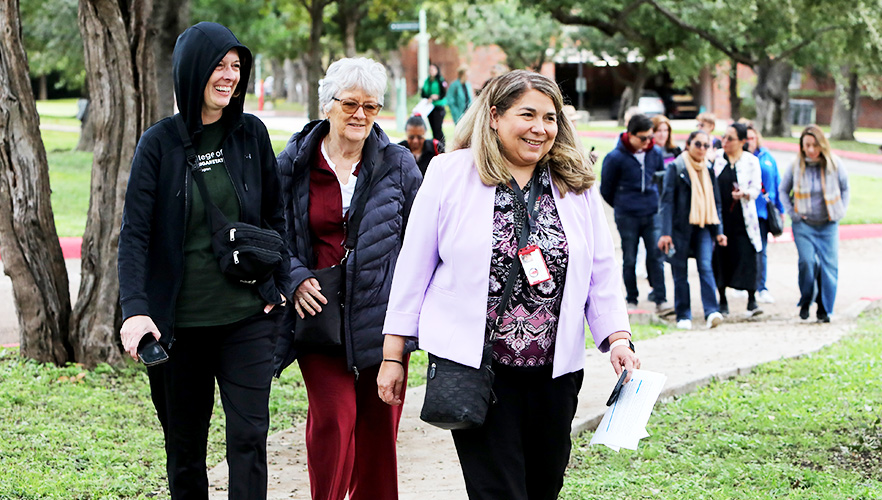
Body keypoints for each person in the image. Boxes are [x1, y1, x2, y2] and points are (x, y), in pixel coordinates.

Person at [378, 70, 639, 500]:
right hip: (478, 369)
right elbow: (413, 269)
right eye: (528, 115)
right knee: (497, 491)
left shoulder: (574, 183)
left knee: (544, 486)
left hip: (556, 373)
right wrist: (393, 354)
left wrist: (618, 338)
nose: (541, 128)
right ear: (495, 116)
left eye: (550, 118)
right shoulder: (449, 173)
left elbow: (602, 270)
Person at [117, 22, 291, 499]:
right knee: (186, 449)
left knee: (249, 440)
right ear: (193, 70)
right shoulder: (159, 144)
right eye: (219, 65)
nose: (229, 76)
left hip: (247, 318)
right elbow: (135, 233)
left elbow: (275, 215)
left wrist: (275, 283)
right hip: (180, 326)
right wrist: (135, 308)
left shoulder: (251, 135)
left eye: (237, 66)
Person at [273, 57, 422, 500]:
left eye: (371, 107)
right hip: (317, 314)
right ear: (327, 105)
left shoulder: (398, 164)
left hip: (381, 320)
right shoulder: (294, 162)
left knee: (379, 434)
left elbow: (421, 239)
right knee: (335, 421)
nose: (360, 115)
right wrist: (294, 276)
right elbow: (272, 230)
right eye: (351, 104)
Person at [601, 113, 671, 313]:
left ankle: (661, 297)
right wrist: (622, 204)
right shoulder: (615, 157)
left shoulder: (655, 153)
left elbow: (660, 179)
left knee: (656, 255)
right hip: (627, 214)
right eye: (643, 138)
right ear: (630, 135)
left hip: (652, 212)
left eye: (650, 137)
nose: (648, 142)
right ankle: (631, 297)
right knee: (629, 257)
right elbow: (606, 189)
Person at [779, 124, 849, 322]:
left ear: (822, 145)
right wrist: (792, 213)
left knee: (829, 267)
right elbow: (783, 190)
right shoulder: (795, 166)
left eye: (814, 145)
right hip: (804, 224)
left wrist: (840, 210)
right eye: (806, 145)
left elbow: (845, 187)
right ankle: (806, 298)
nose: (810, 150)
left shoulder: (834, 164)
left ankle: (825, 308)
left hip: (828, 224)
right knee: (808, 263)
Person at [658, 131, 726, 330]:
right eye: (698, 144)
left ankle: (711, 311)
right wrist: (666, 232)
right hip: (680, 228)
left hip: (704, 226)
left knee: (705, 266)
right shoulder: (676, 167)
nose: (702, 149)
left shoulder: (709, 168)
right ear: (688, 144)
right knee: (680, 273)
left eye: (707, 145)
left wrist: (719, 230)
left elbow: (716, 202)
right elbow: (667, 202)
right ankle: (683, 314)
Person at [712, 123, 763, 317]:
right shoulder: (716, 159)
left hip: (743, 218)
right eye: (723, 137)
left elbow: (757, 188)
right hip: (721, 217)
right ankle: (722, 300)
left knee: (747, 256)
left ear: (742, 141)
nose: (725, 142)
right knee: (721, 258)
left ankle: (752, 299)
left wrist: (745, 193)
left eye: (730, 138)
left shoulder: (751, 161)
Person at [745, 123, 785, 304]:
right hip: (746, 210)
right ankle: (746, 285)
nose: (749, 141)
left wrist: (780, 209)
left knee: (761, 250)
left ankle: (761, 286)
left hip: (763, 212)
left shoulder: (767, 157)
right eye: (746, 138)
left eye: (752, 138)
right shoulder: (741, 159)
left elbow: (777, 183)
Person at [421, 63, 448, 146]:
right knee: (433, 128)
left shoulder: (440, 80)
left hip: (438, 106)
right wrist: (430, 97)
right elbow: (423, 93)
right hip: (430, 107)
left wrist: (437, 97)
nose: (431, 72)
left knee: (438, 128)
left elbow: (444, 92)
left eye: (433, 70)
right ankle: (436, 145)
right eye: (430, 70)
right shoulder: (427, 81)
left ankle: (441, 145)